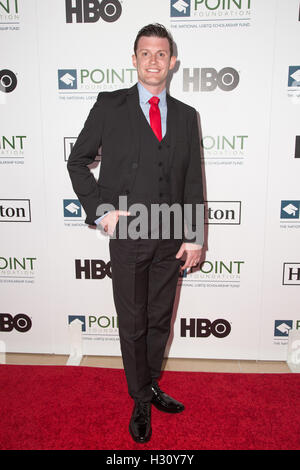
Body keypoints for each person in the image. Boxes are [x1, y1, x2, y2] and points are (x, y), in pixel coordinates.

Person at [67, 23, 204, 444]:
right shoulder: (111, 106)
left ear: (172, 61)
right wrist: (101, 211)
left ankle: (152, 383)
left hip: (170, 235)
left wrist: (194, 236)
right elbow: (78, 161)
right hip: (128, 234)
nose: (153, 61)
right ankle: (139, 399)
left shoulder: (185, 115)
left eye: (161, 54)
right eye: (145, 53)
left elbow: (192, 179)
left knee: (160, 318)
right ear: (134, 60)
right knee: (133, 321)